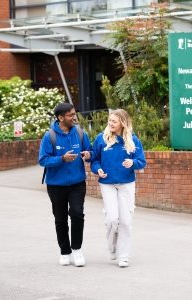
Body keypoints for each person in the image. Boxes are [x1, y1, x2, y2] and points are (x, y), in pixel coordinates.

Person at [91, 109, 146, 268]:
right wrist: (98, 169)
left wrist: (133, 163)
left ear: (122, 122)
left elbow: (141, 161)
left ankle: (124, 256)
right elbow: (94, 160)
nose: (110, 123)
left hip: (126, 183)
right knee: (112, 219)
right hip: (107, 183)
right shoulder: (101, 139)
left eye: (114, 121)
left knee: (126, 221)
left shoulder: (132, 139)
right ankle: (112, 246)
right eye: (110, 121)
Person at [39, 102, 92, 267]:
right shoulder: (49, 136)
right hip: (56, 185)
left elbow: (90, 152)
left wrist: (88, 154)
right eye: (70, 115)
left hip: (77, 183)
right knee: (60, 219)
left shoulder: (80, 133)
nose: (74, 117)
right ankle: (65, 251)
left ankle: (77, 249)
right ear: (60, 118)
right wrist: (61, 159)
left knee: (77, 214)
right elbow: (43, 160)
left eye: (74, 114)